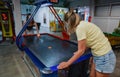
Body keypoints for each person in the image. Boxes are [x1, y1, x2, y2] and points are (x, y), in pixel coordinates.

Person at [57, 9, 116, 77]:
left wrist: (67, 63)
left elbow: (81, 51)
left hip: (104, 56)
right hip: (98, 54)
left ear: (68, 23)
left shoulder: (80, 28)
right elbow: (90, 40)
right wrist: (81, 50)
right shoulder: (83, 24)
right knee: (91, 75)